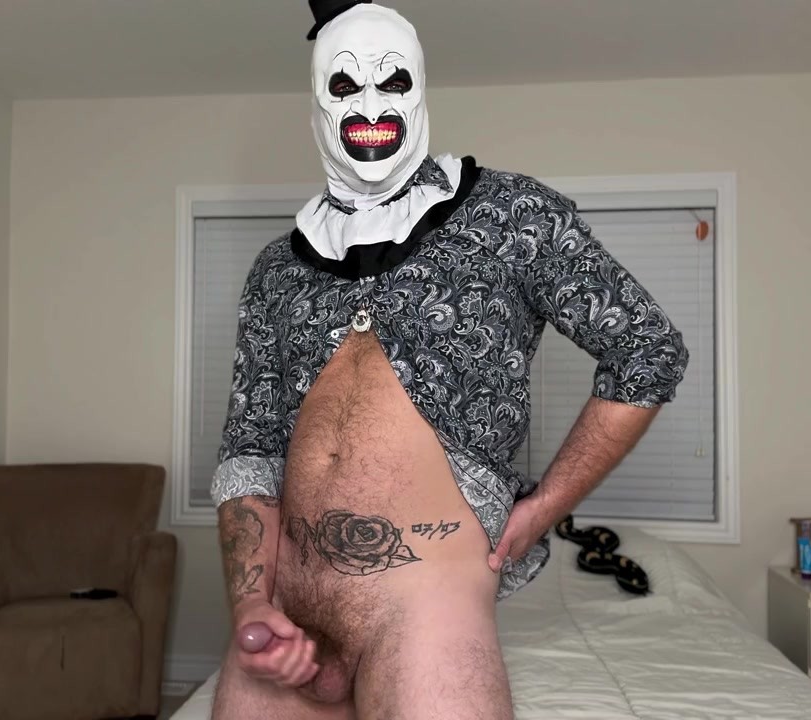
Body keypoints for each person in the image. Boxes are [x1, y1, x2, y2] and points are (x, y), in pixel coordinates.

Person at [208, 2, 688, 718]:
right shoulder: (276, 268)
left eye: (392, 80)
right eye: (345, 85)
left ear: (421, 87)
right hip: (288, 626)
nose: (371, 104)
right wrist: (251, 602)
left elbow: (647, 350)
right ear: (317, 101)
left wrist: (545, 508)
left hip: (425, 620)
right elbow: (249, 452)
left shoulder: (511, 215)